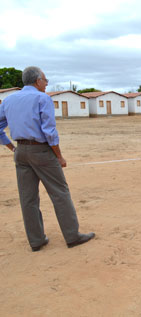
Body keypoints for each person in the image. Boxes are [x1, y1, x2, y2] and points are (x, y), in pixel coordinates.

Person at [0, 66, 95, 251]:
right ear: (37, 81)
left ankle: (36, 240)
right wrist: (59, 156)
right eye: (45, 81)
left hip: (21, 151)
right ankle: (72, 235)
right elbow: (49, 131)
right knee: (60, 192)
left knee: (28, 198)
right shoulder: (42, 98)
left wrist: (12, 147)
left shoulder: (8, 100)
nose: (46, 84)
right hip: (41, 151)